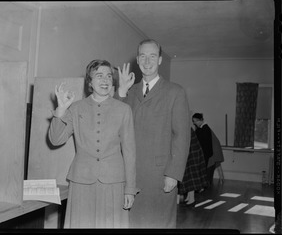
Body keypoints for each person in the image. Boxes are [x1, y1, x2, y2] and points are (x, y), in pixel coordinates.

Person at [48, 59, 140, 228]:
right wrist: (60, 110)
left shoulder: (123, 109)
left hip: (114, 182)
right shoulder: (75, 108)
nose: (105, 80)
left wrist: (130, 189)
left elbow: (129, 151)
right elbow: (55, 139)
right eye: (99, 76)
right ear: (89, 82)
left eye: (108, 76)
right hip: (82, 180)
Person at [116, 39, 190, 228]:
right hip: (128, 174)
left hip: (159, 175)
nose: (147, 61)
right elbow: (115, 125)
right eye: (143, 56)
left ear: (159, 60)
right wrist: (121, 92)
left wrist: (173, 173)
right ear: (138, 60)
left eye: (152, 56)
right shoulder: (129, 91)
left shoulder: (175, 92)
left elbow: (181, 136)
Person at [178, 128, 209, 206]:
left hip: (192, 153)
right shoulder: (188, 127)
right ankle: (189, 197)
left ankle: (192, 199)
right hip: (192, 151)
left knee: (190, 176)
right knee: (190, 176)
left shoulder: (186, 128)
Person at [192, 113, 224, 187]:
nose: (194, 123)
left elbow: (205, 145)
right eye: (193, 121)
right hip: (207, 154)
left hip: (207, 155)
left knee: (207, 173)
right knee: (207, 173)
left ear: (200, 120)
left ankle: (205, 186)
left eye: (195, 121)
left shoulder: (205, 129)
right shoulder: (202, 129)